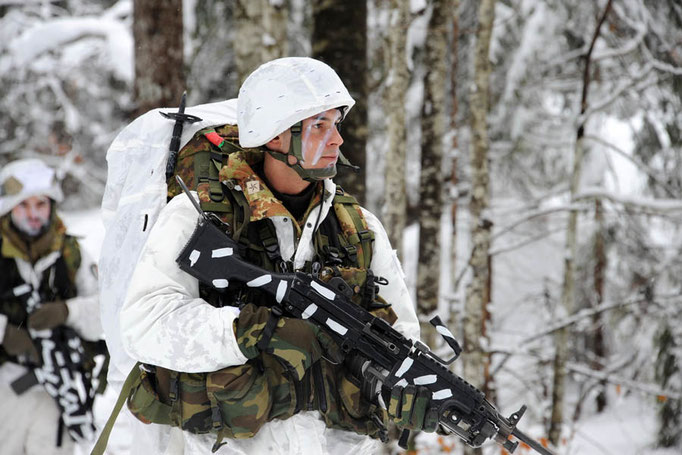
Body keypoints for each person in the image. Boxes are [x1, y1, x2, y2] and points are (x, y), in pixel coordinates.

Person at [118, 57, 423, 454]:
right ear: (275, 136)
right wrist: (258, 331)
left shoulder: (359, 228)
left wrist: (407, 393)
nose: (337, 140)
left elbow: (401, 337)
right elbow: (145, 325)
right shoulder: (200, 214)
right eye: (319, 126)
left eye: (336, 124)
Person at [0, 158, 104, 454]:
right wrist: (6, 333)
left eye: (41, 204)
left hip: (59, 385)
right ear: (8, 207)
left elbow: (107, 313)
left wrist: (68, 311)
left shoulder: (71, 253)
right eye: (24, 205)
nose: (34, 214)